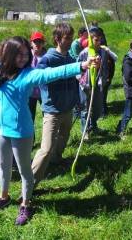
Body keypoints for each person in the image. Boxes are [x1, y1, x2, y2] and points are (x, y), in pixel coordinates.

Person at [0, 36, 97, 225]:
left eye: (26, 55)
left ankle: (26, 204)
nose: (23, 58)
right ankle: (4, 197)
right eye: (19, 55)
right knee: (3, 166)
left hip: (21, 132)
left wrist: (82, 65)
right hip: (2, 131)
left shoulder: (28, 74)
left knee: (24, 170)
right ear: (8, 54)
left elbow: (52, 73)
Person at [31, 23, 80, 187]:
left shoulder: (71, 58)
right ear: (57, 39)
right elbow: (39, 77)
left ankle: (56, 159)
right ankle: (30, 182)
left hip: (68, 108)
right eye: (67, 38)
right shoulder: (48, 59)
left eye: (72, 38)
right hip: (53, 110)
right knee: (45, 148)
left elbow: (75, 80)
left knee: (64, 137)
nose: (70, 41)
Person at [78, 27, 117, 137]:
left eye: (100, 40)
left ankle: (93, 126)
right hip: (86, 85)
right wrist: (81, 79)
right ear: (90, 40)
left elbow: (115, 58)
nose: (99, 42)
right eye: (96, 40)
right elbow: (77, 67)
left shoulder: (103, 51)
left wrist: (108, 50)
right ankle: (84, 131)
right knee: (85, 109)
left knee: (97, 108)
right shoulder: (85, 52)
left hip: (98, 84)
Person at [28, 31, 46, 123]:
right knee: (30, 118)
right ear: (31, 43)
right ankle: (31, 137)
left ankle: (47, 137)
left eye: (40, 42)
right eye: (35, 42)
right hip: (30, 92)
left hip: (43, 92)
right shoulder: (27, 55)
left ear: (43, 43)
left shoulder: (47, 56)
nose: (37, 44)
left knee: (47, 116)